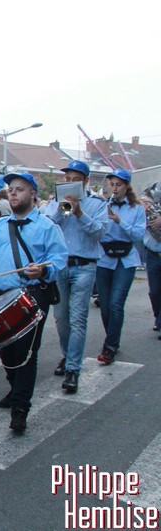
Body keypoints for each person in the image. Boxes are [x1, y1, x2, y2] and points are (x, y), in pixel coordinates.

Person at [0, 172, 68, 432]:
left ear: (33, 194)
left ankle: (20, 408)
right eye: (11, 189)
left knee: (26, 352)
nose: (14, 193)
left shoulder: (48, 226)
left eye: (20, 189)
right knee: (5, 349)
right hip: (2, 294)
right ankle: (17, 388)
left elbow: (59, 259)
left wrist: (44, 270)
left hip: (32, 294)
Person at [43, 160, 107, 392]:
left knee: (78, 317)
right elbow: (47, 228)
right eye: (67, 179)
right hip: (60, 266)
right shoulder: (55, 202)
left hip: (85, 266)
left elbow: (100, 232)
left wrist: (80, 213)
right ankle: (67, 355)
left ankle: (73, 368)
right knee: (61, 318)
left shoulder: (97, 203)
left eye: (76, 180)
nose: (70, 183)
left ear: (86, 181)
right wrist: (62, 211)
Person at [95, 169, 147, 364]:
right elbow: (97, 233)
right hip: (104, 258)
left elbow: (138, 236)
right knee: (105, 305)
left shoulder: (137, 208)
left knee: (116, 303)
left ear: (126, 186)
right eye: (112, 185)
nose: (115, 188)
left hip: (126, 259)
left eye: (119, 185)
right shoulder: (103, 206)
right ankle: (112, 338)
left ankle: (110, 345)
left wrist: (119, 220)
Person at [141, 190, 161, 337]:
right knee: (154, 291)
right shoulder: (154, 193)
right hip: (153, 253)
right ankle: (158, 316)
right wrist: (143, 205)